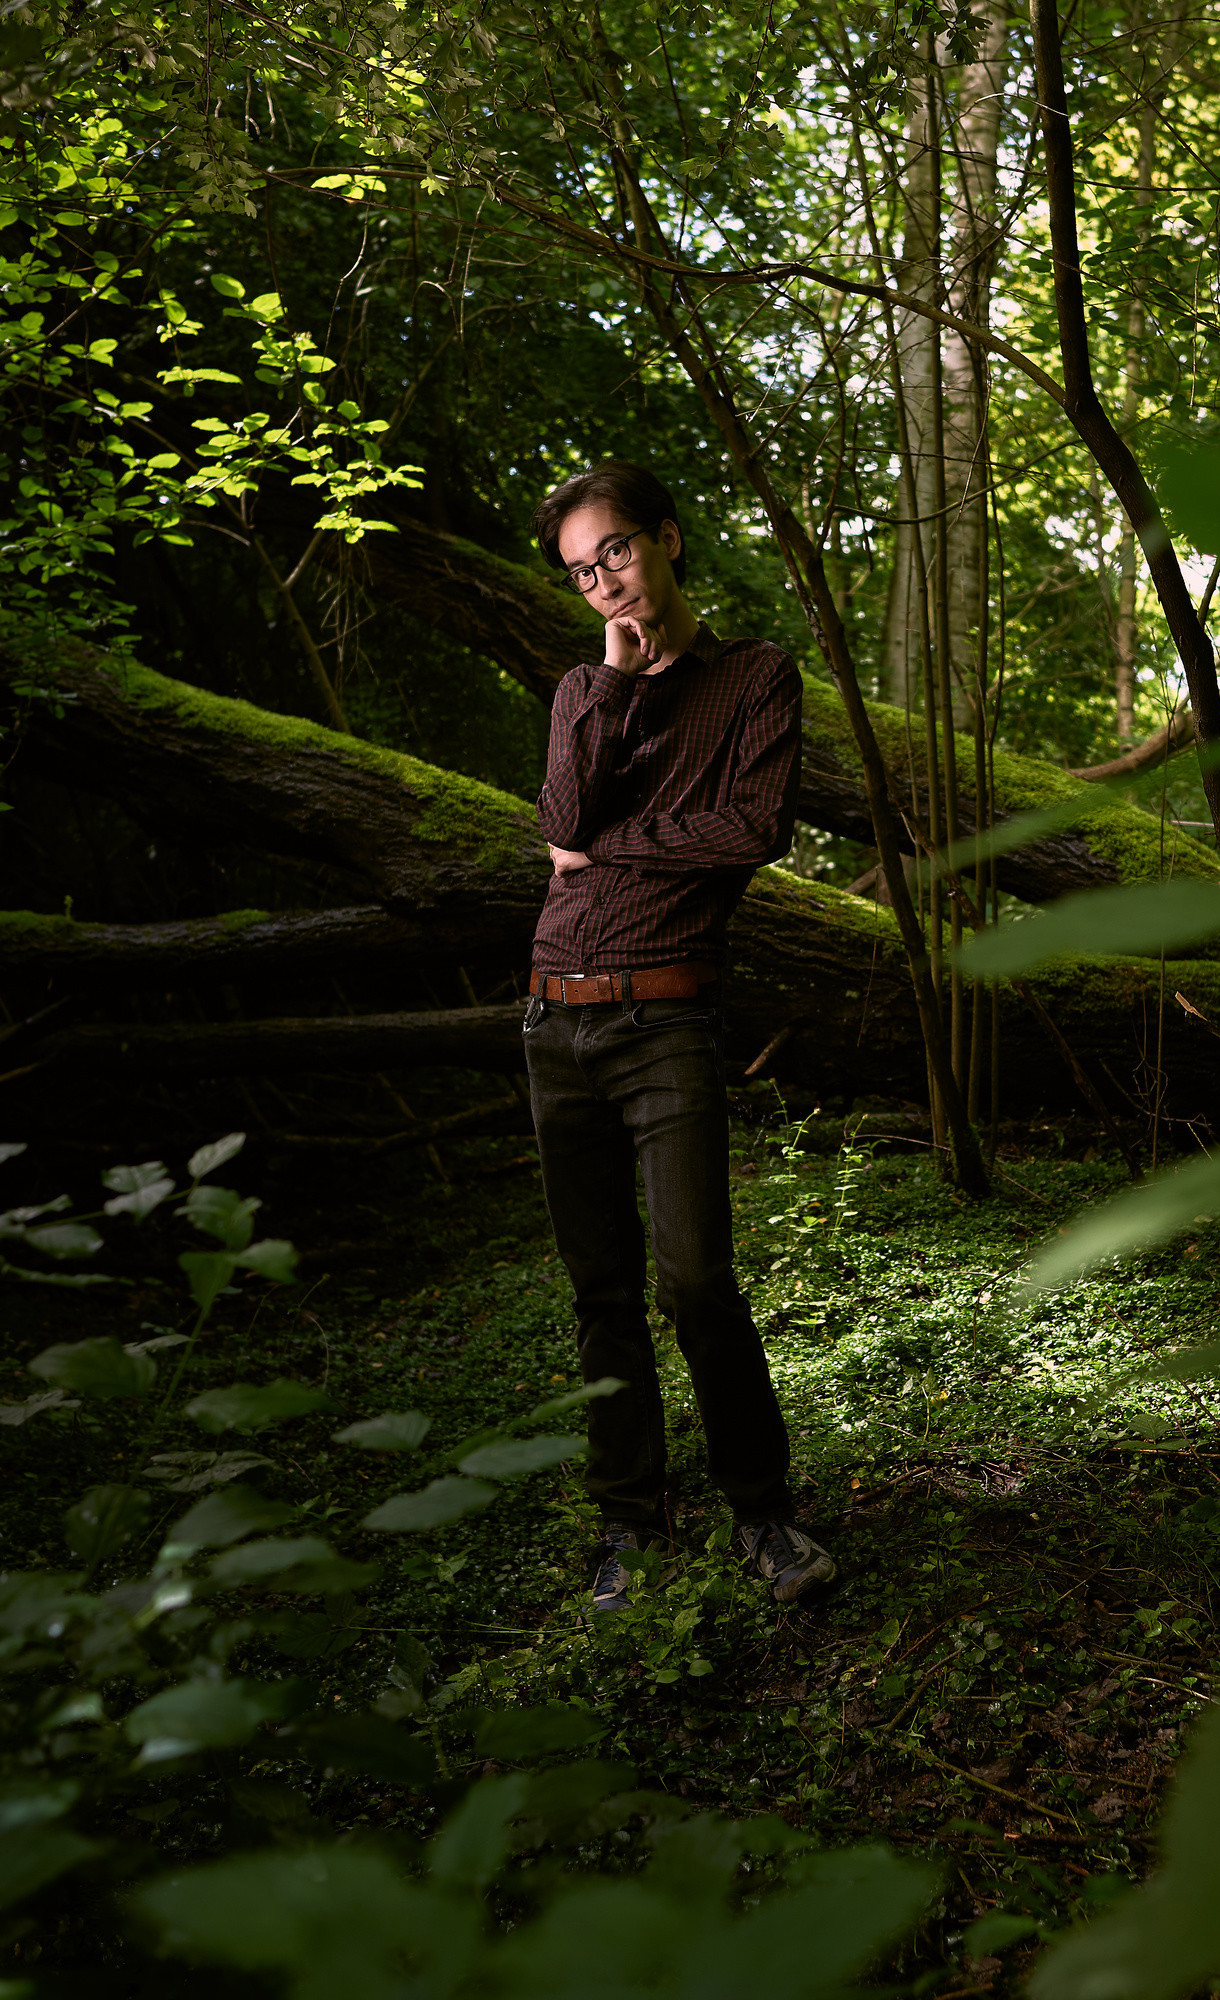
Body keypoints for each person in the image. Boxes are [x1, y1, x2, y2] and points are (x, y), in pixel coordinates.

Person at [524, 460, 836, 1615]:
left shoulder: (754, 676)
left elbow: (749, 829)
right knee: (598, 1290)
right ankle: (629, 1517)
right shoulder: (581, 688)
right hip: (553, 1016)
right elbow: (558, 818)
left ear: (664, 537)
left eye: (613, 550)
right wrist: (612, 684)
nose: (602, 579)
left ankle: (761, 1511)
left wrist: (608, 849)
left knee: (697, 1279)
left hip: (665, 1015)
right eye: (580, 571)